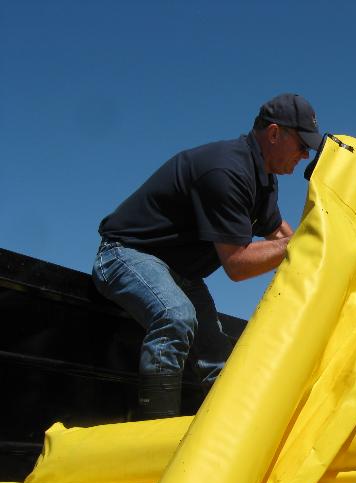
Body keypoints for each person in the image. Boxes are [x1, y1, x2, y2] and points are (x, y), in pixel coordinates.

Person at [92, 93, 322, 419]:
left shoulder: (264, 180)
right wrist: (310, 239)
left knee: (221, 366)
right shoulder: (226, 171)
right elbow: (239, 264)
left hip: (181, 274)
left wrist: (322, 250)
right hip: (125, 255)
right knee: (176, 315)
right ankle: (155, 434)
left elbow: (280, 233)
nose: (304, 155)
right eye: (302, 145)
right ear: (274, 133)